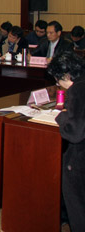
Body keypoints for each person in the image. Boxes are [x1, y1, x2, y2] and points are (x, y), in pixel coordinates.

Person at [48, 51, 85, 232]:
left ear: (66, 76)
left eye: (58, 80)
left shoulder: (78, 89)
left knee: (78, 210)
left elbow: (75, 132)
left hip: (79, 160)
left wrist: (61, 117)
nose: (58, 84)